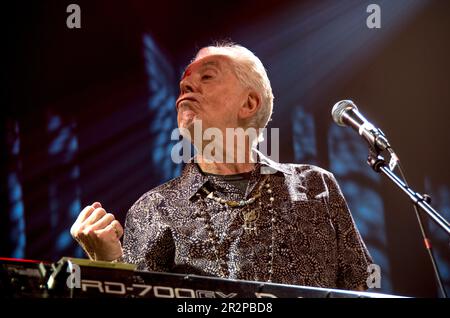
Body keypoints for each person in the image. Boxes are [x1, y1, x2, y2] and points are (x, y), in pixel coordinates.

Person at [70, 43, 373, 291]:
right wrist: (107, 265)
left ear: (249, 104)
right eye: (185, 82)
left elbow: (362, 288)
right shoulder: (152, 209)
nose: (186, 84)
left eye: (207, 77)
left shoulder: (315, 186)